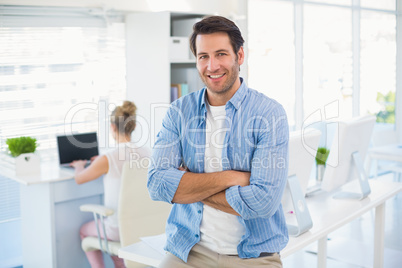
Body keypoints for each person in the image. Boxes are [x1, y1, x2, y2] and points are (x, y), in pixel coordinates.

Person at [147, 16, 289, 268]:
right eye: (203, 56)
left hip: (254, 255)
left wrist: (188, 186)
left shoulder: (269, 114)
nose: (212, 65)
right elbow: (157, 185)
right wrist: (232, 177)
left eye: (221, 54)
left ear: (240, 56)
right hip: (189, 250)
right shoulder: (179, 111)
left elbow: (263, 203)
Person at [71, 100, 150, 268]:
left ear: (113, 127)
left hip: (117, 229)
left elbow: (79, 179)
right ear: (134, 126)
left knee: (84, 231)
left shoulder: (109, 158)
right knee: (120, 248)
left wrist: (79, 166)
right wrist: (99, 161)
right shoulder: (147, 153)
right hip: (143, 227)